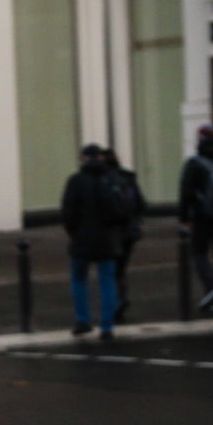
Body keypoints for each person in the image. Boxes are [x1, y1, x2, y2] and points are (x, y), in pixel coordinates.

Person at [62, 144, 122, 340]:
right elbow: (120, 210)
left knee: (79, 279)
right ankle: (107, 326)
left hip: (82, 238)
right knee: (107, 282)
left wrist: (73, 232)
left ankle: (83, 321)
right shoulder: (111, 178)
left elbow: (68, 212)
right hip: (107, 239)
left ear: (83, 158)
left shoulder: (76, 181)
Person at [178, 123, 213, 312]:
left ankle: (211, 289)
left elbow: (186, 193)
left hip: (201, 216)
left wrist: (184, 219)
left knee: (199, 253)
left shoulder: (194, 164)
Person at [101, 149, 146, 322]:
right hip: (131, 231)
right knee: (120, 268)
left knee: (111, 269)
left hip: (113, 232)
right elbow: (141, 204)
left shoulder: (104, 180)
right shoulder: (128, 177)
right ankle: (120, 300)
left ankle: (118, 301)